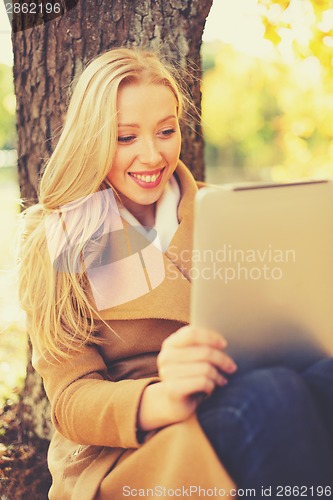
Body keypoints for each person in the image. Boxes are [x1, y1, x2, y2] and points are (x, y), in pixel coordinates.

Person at [18, 48, 333, 500]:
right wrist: (161, 397)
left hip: (247, 387)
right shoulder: (63, 238)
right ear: (93, 138)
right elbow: (70, 400)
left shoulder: (227, 209)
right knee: (272, 397)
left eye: (166, 131)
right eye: (125, 137)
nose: (152, 155)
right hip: (132, 446)